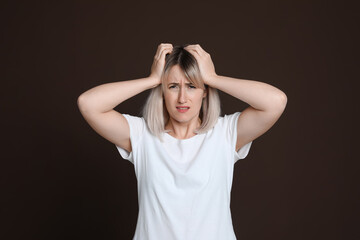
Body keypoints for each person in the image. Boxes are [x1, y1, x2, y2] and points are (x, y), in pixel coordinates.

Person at [77, 43, 287, 240]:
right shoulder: (142, 135)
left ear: (204, 92)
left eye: (192, 86)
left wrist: (213, 77)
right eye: (173, 86)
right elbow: (88, 104)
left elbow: (275, 102)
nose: (182, 98)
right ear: (162, 91)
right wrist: (152, 79)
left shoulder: (225, 133)